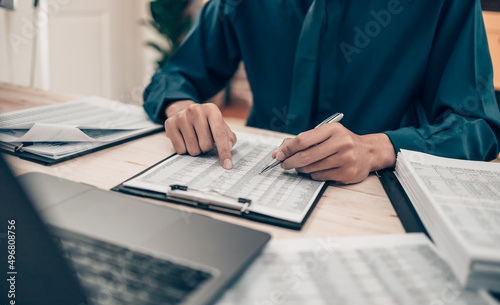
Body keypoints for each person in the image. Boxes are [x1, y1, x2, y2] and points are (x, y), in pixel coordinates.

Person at [143, 0, 500, 184]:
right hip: (254, 177)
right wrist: (182, 107)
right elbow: (173, 76)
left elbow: (477, 124)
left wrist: (377, 149)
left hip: (377, 190)